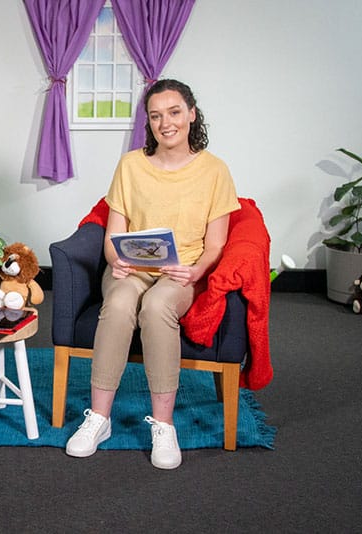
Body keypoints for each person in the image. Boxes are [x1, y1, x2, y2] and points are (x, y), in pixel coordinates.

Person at [64, 79, 240, 469]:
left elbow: (215, 245)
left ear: (192, 114)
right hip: (132, 267)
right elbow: (113, 233)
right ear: (148, 122)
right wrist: (116, 259)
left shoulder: (215, 171)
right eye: (156, 116)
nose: (166, 123)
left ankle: (163, 425)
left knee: (158, 306)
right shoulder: (131, 165)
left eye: (174, 113)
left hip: (180, 274)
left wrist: (195, 272)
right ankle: (99, 418)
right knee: (121, 299)